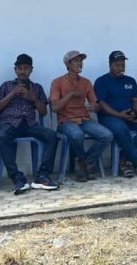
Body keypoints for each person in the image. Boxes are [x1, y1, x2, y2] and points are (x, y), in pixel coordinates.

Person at [0, 53, 60, 194]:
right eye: (19, 68)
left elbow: (43, 112)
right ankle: (18, 179)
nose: (23, 71)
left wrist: (32, 98)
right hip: (9, 123)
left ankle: (42, 177)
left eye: (26, 68)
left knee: (51, 135)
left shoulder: (37, 88)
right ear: (15, 70)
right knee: (2, 137)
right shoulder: (6, 85)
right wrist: (12, 94)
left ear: (31, 69)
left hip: (30, 124)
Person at [50, 50, 113, 182]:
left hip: (84, 119)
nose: (80, 64)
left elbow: (95, 104)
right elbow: (54, 108)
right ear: (68, 64)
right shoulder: (57, 82)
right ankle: (84, 164)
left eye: (81, 61)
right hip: (66, 121)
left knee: (107, 135)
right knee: (77, 134)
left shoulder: (86, 82)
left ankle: (83, 162)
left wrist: (94, 107)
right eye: (77, 61)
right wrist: (71, 94)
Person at [95, 50, 137, 177]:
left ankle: (123, 157)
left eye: (122, 65)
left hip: (129, 115)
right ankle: (136, 160)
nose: (120, 68)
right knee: (121, 129)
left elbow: (136, 100)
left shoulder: (130, 81)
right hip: (109, 117)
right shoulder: (101, 81)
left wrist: (135, 113)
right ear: (110, 65)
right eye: (117, 65)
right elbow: (102, 105)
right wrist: (120, 115)